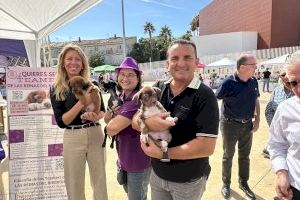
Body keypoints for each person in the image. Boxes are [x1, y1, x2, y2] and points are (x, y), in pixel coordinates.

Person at [134, 40, 219, 200]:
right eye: (174, 58)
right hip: (158, 176)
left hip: (187, 182)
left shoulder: (205, 96)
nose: (180, 63)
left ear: (196, 62)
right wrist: (147, 123)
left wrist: (163, 154)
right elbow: (135, 119)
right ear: (167, 64)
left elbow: (206, 147)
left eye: (187, 57)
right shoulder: (159, 87)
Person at [50, 44, 108, 200]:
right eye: (69, 59)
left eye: (78, 59)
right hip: (72, 137)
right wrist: (83, 102)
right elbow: (62, 122)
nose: (73, 63)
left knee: (100, 181)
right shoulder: (57, 89)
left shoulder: (92, 85)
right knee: (74, 184)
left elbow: (102, 110)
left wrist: (97, 116)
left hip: (95, 134)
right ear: (62, 62)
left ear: (83, 64)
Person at [104, 57, 151, 200]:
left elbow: (110, 129)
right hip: (124, 158)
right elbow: (106, 119)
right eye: (122, 74)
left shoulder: (138, 100)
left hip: (138, 162)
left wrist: (112, 121)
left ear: (138, 78)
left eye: (131, 74)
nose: (125, 78)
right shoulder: (120, 97)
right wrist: (112, 113)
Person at [216, 54, 260, 200]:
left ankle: (243, 182)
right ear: (242, 67)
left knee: (245, 156)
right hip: (229, 125)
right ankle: (226, 184)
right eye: (253, 65)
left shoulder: (254, 81)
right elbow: (215, 99)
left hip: (247, 124)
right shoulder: (228, 82)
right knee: (228, 156)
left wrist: (257, 119)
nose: (256, 67)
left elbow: (256, 100)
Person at [268, 54, 300, 200]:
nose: (299, 89)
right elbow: (277, 144)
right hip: (295, 189)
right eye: (294, 83)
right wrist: (281, 173)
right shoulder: (285, 109)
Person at [263, 67, 294, 158]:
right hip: (279, 130)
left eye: (288, 74)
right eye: (283, 75)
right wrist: (274, 127)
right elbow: (269, 110)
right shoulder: (277, 90)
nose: (286, 77)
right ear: (280, 77)